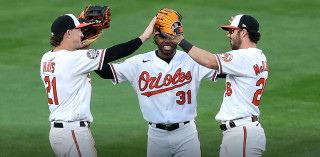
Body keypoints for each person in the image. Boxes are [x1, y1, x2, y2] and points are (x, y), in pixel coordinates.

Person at [95, 9, 218, 157]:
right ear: (154, 36)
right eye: (162, 36)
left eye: (170, 36)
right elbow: (104, 71)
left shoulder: (193, 60)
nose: (166, 40)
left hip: (186, 133)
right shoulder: (139, 62)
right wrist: (86, 53)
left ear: (178, 36)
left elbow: (224, 69)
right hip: (156, 135)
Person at [40, 13, 156, 157]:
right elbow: (113, 53)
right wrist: (144, 36)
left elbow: (86, 64)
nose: (82, 34)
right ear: (68, 33)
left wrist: (83, 49)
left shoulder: (47, 58)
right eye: (79, 30)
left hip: (61, 132)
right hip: (72, 131)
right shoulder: (73, 60)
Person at [174, 14, 268, 157]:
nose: (228, 36)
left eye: (231, 31)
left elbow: (209, 61)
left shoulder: (244, 57)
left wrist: (181, 40)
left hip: (242, 133)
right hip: (242, 131)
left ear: (243, 32)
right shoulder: (258, 56)